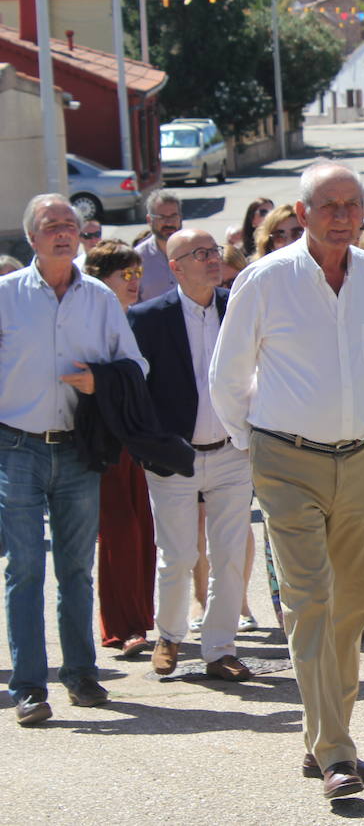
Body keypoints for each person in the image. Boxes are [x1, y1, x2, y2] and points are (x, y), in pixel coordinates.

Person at [209, 160, 364, 800]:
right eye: (328, 206)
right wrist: (254, 443)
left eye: (352, 204)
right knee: (310, 600)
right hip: (286, 460)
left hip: (363, 457)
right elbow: (228, 376)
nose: (342, 217)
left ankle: (324, 737)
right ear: (304, 212)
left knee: (352, 606)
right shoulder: (266, 279)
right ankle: (337, 751)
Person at [0, 194, 146, 726]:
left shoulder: (100, 299)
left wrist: (97, 381)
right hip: (16, 446)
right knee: (24, 568)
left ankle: (81, 674)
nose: (63, 232)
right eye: (51, 225)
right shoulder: (6, 295)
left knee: (76, 568)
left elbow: (135, 365)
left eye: (70, 224)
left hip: (80, 447)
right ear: (32, 239)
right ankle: (28, 687)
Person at [129, 229, 254, 682]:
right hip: (174, 457)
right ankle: (169, 635)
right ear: (175, 267)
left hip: (232, 452)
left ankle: (220, 648)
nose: (211, 259)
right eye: (199, 254)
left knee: (229, 555)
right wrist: (152, 446)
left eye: (213, 251)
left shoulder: (236, 306)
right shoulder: (147, 318)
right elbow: (135, 391)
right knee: (179, 555)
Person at [82, 241, 156, 660]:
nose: (134, 282)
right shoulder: (90, 320)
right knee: (119, 532)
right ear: (99, 279)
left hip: (134, 439)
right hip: (100, 438)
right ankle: (121, 626)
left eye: (138, 273)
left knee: (142, 531)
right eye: (125, 275)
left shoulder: (136, 317)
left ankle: (139, 620)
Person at [135, 190, 183, 301]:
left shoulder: (197, 253)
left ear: (180, 218)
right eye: (162, 217)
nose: (169, 223)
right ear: (149, 220)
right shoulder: (137, 259)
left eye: (173, 216)